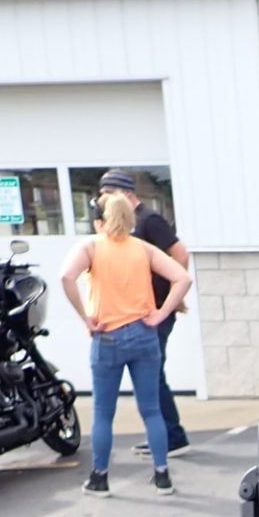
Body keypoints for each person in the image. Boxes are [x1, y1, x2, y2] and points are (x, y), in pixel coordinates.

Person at [59, 189, 192, 497]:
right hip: (144, 334)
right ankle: (162, 476)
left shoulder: (91, 247)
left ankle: (100, 478)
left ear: (102, 220)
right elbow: (182, 278)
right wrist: (160, 313)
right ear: (131, 218)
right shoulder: (142, 249)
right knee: (151, 409)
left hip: (107, 335)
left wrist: (85, 317)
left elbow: (66, 277)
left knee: (104, 412)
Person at [94, 169, 192, 459]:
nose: (104, 202)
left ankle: (173, 436)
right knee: (152, 377)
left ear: (126, 193)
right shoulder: (122, 228)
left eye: (108, 195)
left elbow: (181, 255)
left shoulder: (149, 221)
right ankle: (166, 435)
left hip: (154, 312)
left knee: (153, 377)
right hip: (135, 313)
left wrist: (171, 301)